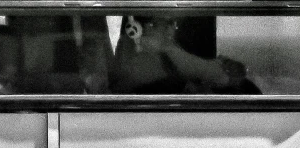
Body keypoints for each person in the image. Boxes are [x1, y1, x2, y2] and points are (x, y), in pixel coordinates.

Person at [110, 15, 257, 94]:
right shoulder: (141, 61)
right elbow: (217, 74)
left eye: (173, 23)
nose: (171, 30)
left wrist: (232, 67)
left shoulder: (167, 50)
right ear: (138, 29)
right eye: (163, 24)